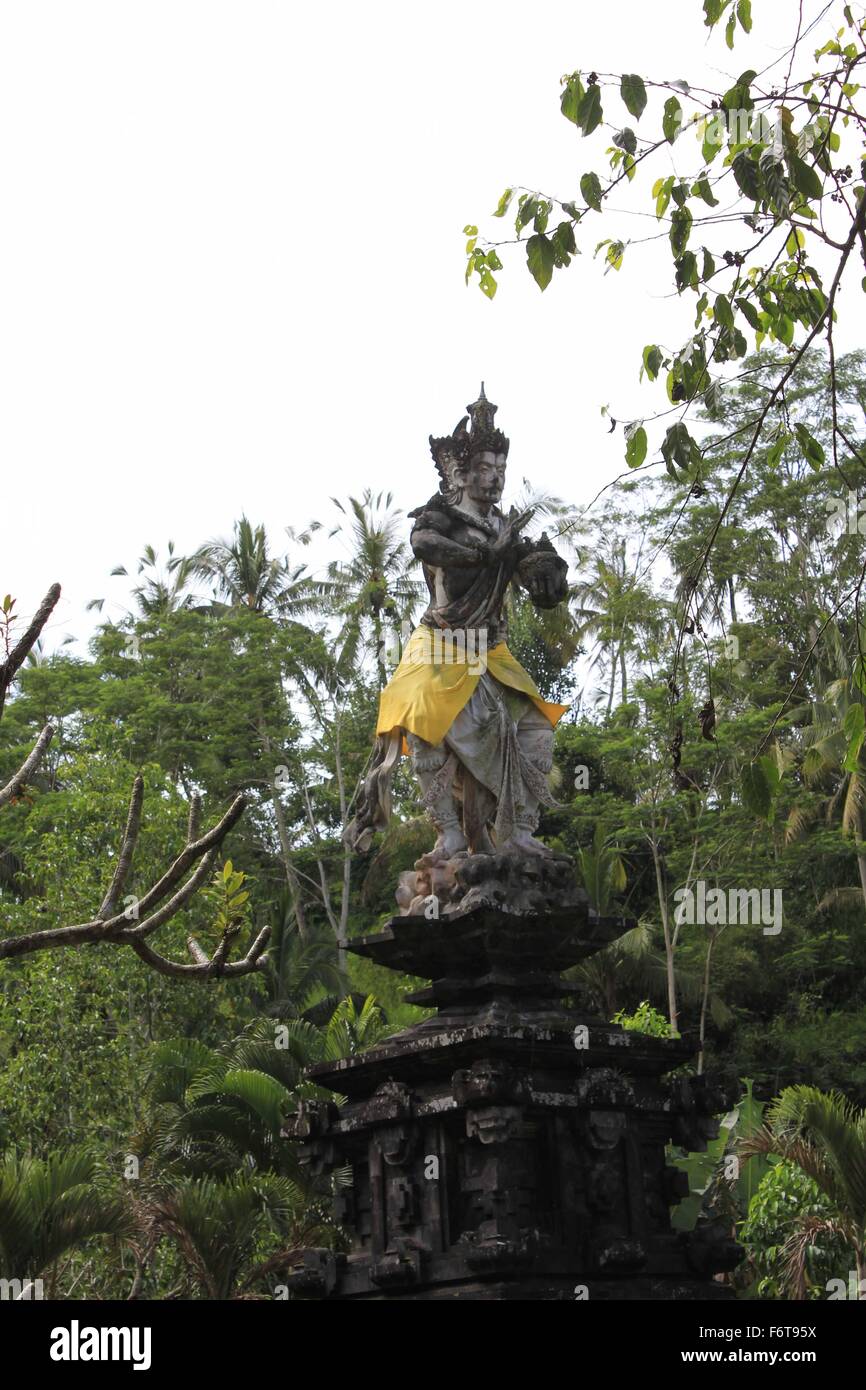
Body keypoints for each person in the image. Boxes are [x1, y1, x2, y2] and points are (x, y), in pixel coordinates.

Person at [346, 386, 569, 863]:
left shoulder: (506, 528)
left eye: (501, 469)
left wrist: (548, 578)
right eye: (485, 469)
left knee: (536, 727)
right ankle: (448, 832)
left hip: (490, 651)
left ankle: (520, 831)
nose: (495, 478)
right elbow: (423, 544)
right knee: (423, 721)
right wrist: (484, 555)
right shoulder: (442, 518)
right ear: (463, 474)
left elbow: (534, 573)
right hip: (440, 644)